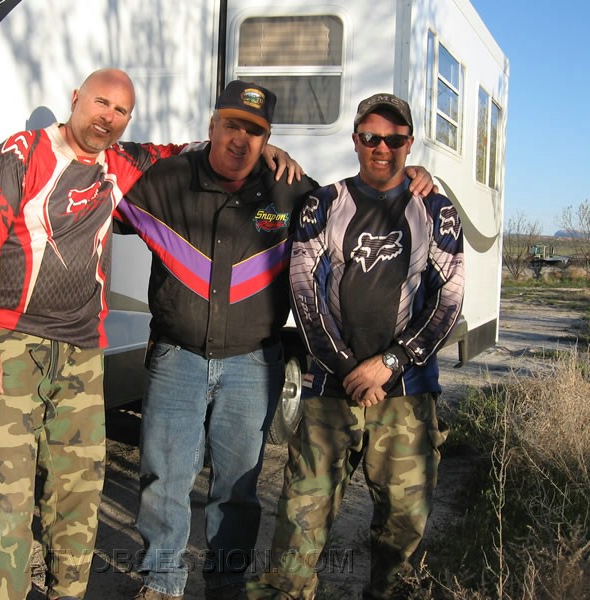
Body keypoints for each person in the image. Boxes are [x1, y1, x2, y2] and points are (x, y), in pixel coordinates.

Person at [0, 68, 300, 600]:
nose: (107, 118)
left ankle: (94, 591)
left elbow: (192, 152)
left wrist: (281, 155)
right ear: (75, 99)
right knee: (11, 496)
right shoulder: (23, 157)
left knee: (85, 495)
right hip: (22, 345)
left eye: (120, 112)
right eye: (100, 104)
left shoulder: (126, 164)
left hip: (101, 356)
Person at [114, 83, 437, 600]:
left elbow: (370, 195)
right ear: (212, 125)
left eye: (256, 131)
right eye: (231, 126)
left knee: (239, 489)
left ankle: (226, 584)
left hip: (253, 362)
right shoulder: (166, 180)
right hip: (177, 356)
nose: (240, 140)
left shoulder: (295, 191)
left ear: (269, 138)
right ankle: (161, 583)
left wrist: (419, 175)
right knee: (163, 481)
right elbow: (104, 175)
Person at [246, 93, 465, 600]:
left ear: (409, 143)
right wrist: (349, 368)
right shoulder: (324, 204)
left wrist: (389, 364)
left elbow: (447, 301)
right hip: (329, 389)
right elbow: (303, 292)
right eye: (370, 137)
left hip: (407, 394)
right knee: (301, 519)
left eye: (394, 138)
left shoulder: (436, 210)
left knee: (402, 530)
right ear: (355, 140)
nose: (381, 148)